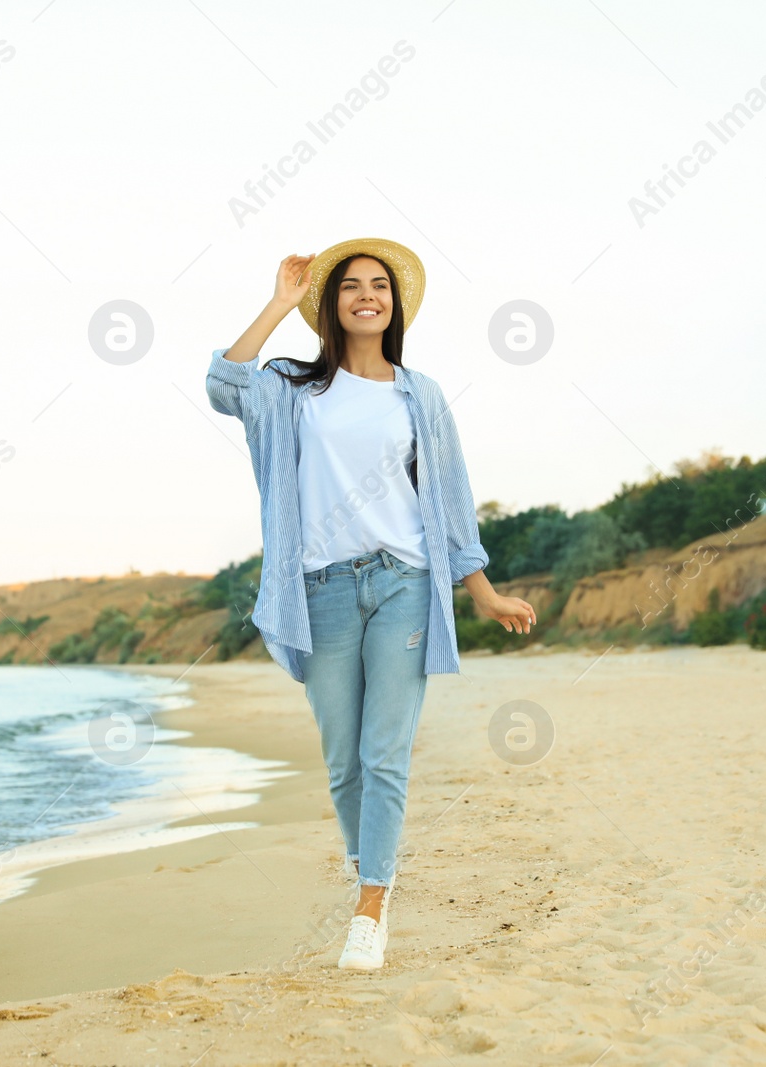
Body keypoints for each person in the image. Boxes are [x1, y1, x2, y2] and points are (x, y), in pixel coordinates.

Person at [205, 238, 535, 971]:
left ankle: (371, 907)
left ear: (394, 304)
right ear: (332, 304)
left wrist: (481, 590)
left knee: (384, 753)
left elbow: (449, 502)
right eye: (351, 285)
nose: (366, 294)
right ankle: (371, 863)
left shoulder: (420, 394)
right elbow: (223, 385)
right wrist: (279, 303)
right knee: (343, 761)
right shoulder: (290, 385)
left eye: (378, 285)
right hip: (320, 589)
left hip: (403, 586)